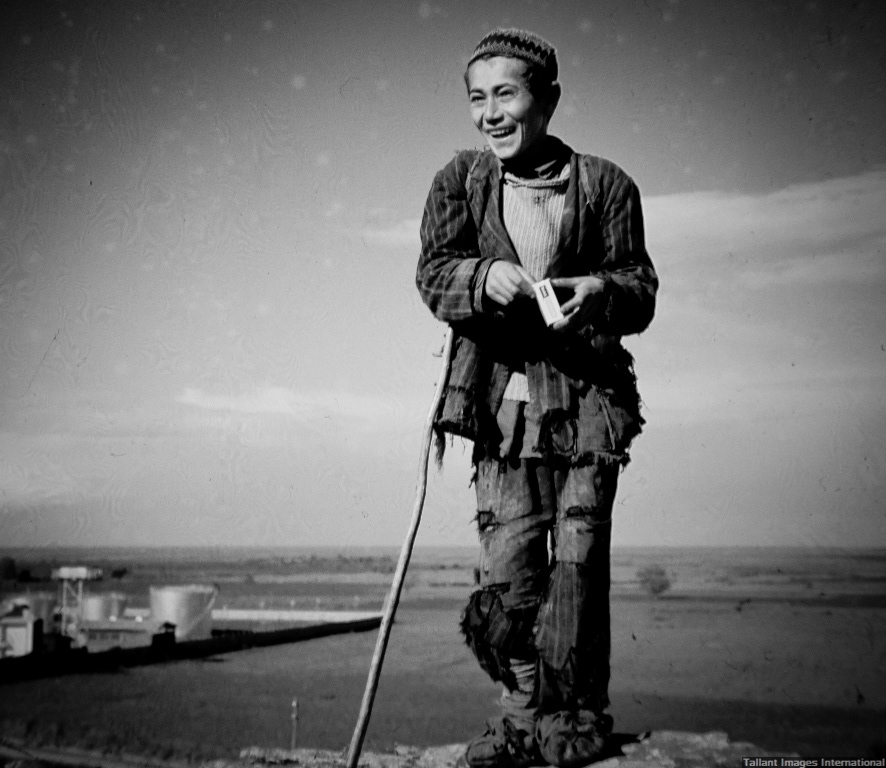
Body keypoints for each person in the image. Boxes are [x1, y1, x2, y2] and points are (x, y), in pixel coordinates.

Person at [415, 28, 658, 768]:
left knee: (578, 568)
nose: (490, 113)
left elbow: (641, 290)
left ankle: (575, 718)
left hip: (587, 407)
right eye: (476, 98)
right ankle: (521, 716)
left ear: (546, 100)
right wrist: (481, 277)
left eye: (506, 94)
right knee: (509, 572)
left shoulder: (607, 185)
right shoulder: (460, 181)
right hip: (499, 411)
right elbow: (433, 274)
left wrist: (600, 292)